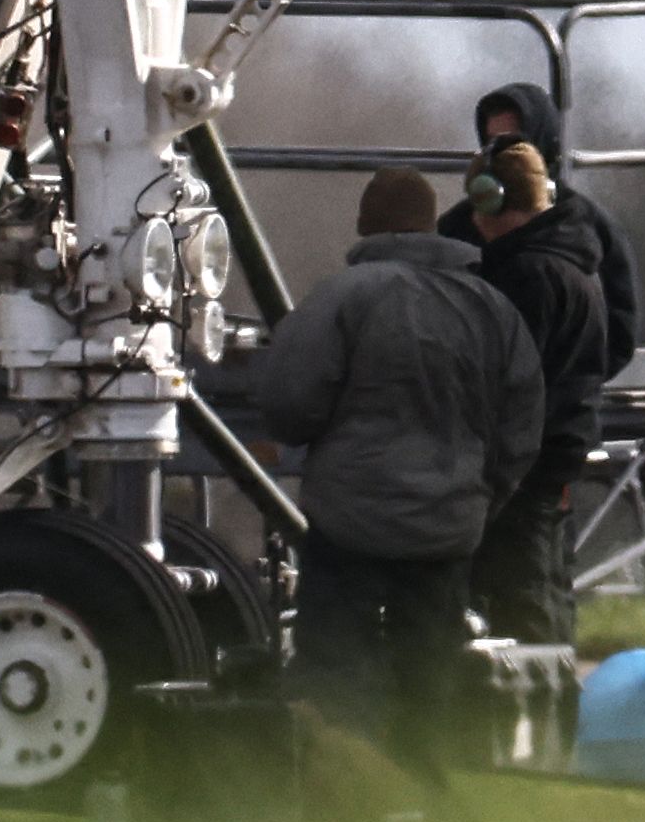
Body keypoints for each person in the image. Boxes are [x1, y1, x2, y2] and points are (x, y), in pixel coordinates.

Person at [210, 166, 540, 769]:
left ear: (366, 226)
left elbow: (288, 403)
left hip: (350, 523)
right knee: (430, 665)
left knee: (337, 668)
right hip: (448, 528)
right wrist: (479, 498)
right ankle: (426, 795)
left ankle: (346, 791)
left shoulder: (343, 297)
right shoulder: (493, 309)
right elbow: (521, 426)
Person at [457, 81, 642, 648]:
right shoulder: (565, 252)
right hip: (547, 443)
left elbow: (615, 335)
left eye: (510, 140)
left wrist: (565, 382)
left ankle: (540, 714)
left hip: (531, 450)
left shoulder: (540, 263)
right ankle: (551, 712)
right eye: (491, 141)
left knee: (528, 587)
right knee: (539, 586)